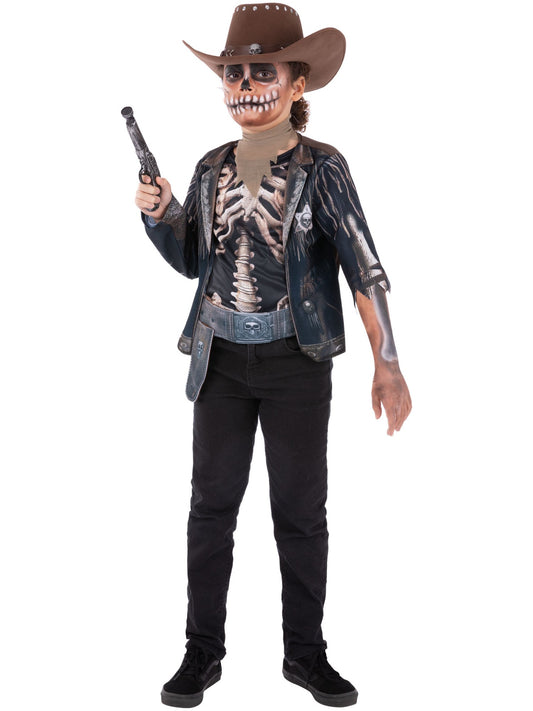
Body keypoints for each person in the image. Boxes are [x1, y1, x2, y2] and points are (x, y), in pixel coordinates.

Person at [134, 4, 411, 707]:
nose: (244, 86)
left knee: (301, 512)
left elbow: (363, 265)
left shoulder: (323, 168)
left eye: (262, 72)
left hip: (296, 360)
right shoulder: (209, 167)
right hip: (220, 359)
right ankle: (202, 651)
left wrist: (387, 360)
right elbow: (193, 258)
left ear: (296, 84)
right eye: (233, 73)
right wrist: (160, 212)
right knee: (210, 510)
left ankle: (305, 654)